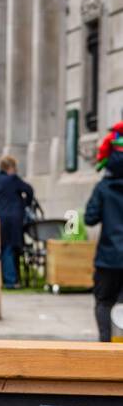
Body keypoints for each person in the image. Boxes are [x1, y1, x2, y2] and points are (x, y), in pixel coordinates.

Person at [85, 124, 123, 342]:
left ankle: (106, 346)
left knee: (104, 301)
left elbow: (90, 218)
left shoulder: (104, 187)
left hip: (108, 257)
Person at [0, 156, 36, 289]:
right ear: (10, 168)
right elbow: (29, 190)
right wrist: (24, 203)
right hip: (12, 219)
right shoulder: (13, 179)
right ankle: (10, 281)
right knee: (9, 249)